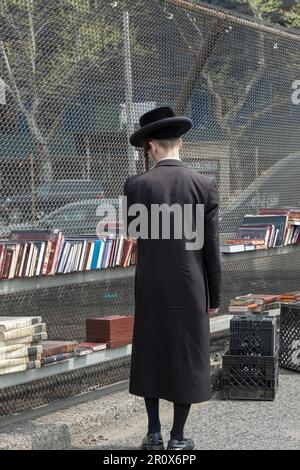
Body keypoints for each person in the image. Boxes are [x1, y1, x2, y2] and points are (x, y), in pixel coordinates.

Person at [123, 106, 221, 451]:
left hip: (150, 284)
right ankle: (178, 437)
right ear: (181, 141)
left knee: (150, 351)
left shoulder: (136, 185)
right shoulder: (204, 185)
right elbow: (211, 249)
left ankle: (153, 434)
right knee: (188, 354)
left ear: (150, 147)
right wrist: (215, 297)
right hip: (190, 284)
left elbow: (134, 238)